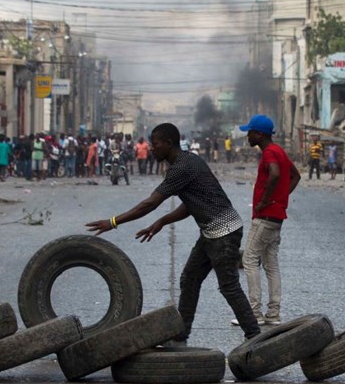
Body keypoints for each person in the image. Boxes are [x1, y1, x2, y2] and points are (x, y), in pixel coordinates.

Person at [86, 123, 262, 344]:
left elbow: (150, 203)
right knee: (189, 279)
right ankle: (181, 333)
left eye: (155, 143)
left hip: (223, 232)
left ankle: (255, 337)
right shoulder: (188, 161)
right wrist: (163, 221)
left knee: (228, 286)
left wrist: (113, 222)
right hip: (213, 232)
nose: (152, 148)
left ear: (168, 144)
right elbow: (192, 203)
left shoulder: (181, 168)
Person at [233, 115, 301, 327]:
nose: (247, 136)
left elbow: (274, 174)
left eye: (250, 132)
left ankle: (254, 313)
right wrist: (281, 199)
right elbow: (295, 176)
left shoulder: (270, 153)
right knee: (271, 265)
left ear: (259, 134)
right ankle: (273, 314)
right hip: (277, 217)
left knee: (250, 260)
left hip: (265, 217)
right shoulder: (279, 151)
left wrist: (265, 201)